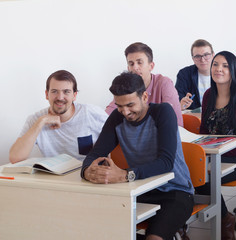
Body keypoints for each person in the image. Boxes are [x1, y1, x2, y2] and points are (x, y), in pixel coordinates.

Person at [82, 72, 194, 240]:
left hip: (176, 191)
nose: (125, 112)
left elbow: (166, 163)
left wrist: (125, 174)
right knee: (98, 228)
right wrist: (87, 171)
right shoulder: (117, 117)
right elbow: (95, 154)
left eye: (130, 105)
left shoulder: (163, 112)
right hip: (139, 189)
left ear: (144, 96)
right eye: (119, 106)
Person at [195, 51, 236, 240]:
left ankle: (223, 220)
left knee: (204, 178)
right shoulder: (208, 95)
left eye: (225, 66)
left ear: (233, 70)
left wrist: (219, 151)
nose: (219, 69)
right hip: (215, 155)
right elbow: (203, 131)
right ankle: (226, 217)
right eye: (215, 64)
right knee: (193, 174)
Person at [9, 70, 108, 163]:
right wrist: (42, 121)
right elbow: (15, 158)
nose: (60, 97)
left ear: (74, 95)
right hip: (54, 178)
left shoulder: (91, 113)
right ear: (47, 94)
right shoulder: (36, 119)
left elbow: (118, 138)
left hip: (87, 175)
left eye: (66, 92)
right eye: (54, 91)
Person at [106, 42, 183, 126]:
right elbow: (107, 114)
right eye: (131, 64)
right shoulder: (126, 88)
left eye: (139, 62)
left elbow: (174, 120)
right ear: (128, 68)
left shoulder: (164, 83)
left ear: (151, 66)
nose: (135, 67)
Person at [175, 39, 214, 110]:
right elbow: (177, 102)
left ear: (213, 55)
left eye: (206, 55)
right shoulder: (184, 74)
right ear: (193, 59)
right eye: (198, 56)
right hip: (194, 118)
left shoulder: (223, 73)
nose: (202, 60)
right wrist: (181, 104)